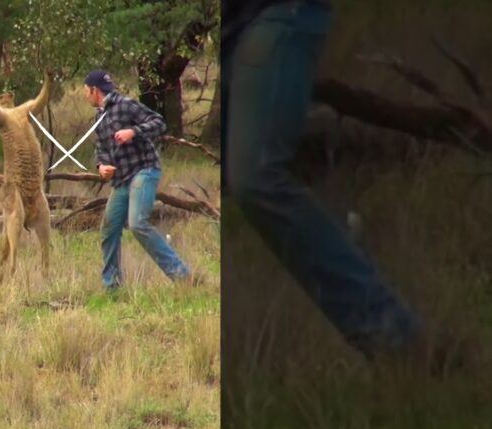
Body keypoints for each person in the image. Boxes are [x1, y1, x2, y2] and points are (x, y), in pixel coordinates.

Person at [220, 0, 428, 361]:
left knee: (257, 175)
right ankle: (341, 229)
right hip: (234, 26)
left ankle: (394, 336)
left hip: (277, 11)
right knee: (235, 175)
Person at [83, 69, 196, 290]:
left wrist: (133, 131)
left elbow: (159, 122)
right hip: (122, 179)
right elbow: (101, 148)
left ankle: (182, 276)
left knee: (137, 223)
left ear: (94, 90)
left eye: (86, 91)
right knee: (109, 227)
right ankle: (112, 286)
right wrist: (102, 166)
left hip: (144, 171)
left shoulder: (126, 105)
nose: (85, 95)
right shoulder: (100, 117)